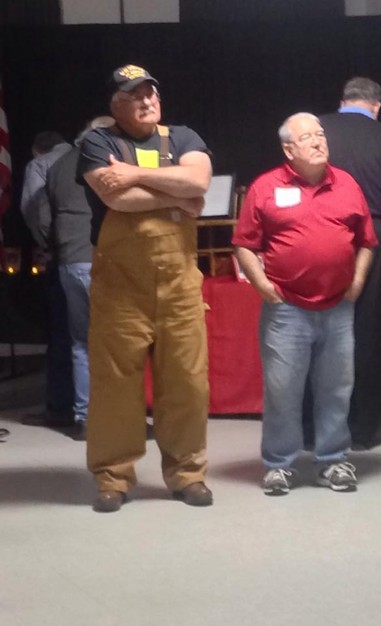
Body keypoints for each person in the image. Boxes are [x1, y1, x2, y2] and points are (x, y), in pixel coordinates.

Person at [77, 64, 213, 512]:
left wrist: (133, 175)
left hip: (180, 288)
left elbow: (199, 182)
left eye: (150, 93)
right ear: (115, 105)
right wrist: (178, 197)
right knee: (115, 387)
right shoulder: (98, 142)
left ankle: (188, 475)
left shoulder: (185, 137)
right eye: (134, 96)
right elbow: (115, 198)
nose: (146, 101)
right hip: (121, 291)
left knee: (188, 383)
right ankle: (112, 478)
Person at [233, 112, 377, 496]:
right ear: (288, 149)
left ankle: (332, 460)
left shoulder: (347, 184)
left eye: (320, 134)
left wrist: (358, 280)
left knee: (336, 389)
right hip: (287, 309)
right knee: (283, 391)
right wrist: (262, 284)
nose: (317, 141)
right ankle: (279, 465)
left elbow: (366, 241)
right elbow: (244, 244)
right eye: (307, 137)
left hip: (338, 307)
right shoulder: (266, 187)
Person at [320, 77, 381, 449]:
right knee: (367, 331)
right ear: (377, 106)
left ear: (342, 100)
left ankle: (314, 426)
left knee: (316, 330)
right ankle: (360, 430)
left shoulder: (314, 131)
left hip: (319, 234)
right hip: (373, 237)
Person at [37, 117, 114, 441]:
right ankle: (119, 418)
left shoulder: (55, 166)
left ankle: (84, 418)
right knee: (117, 343)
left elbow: (43, 218)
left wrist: (56, 247)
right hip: (104, 258)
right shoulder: (108, 161)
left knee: (81, 343)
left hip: (69, 261)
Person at [20, 131, 74, 427]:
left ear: (36, 150)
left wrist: (49, 245)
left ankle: (60, 408)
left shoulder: (41, 165)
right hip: (102, 254)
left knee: (63, 333)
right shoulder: (87, 156)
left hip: (64, 256)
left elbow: (35, 211)